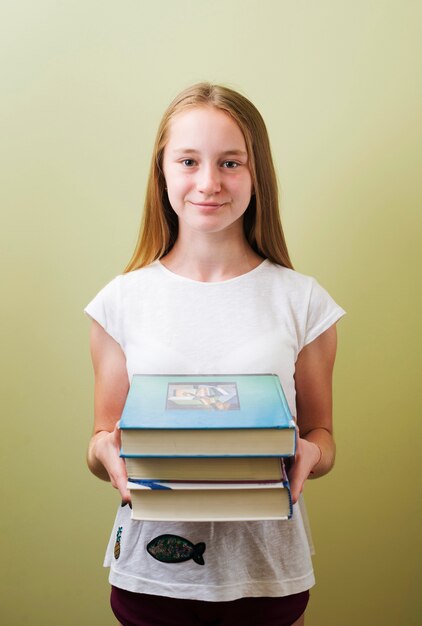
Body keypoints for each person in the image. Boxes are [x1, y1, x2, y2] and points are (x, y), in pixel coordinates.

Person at [84, 83, 345, 626]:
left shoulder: (303, 301)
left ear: (257, 175)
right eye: (188, 161)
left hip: (268, 575)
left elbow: (322, 438)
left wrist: (310, 455)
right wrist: (107, 454)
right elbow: (101, 440)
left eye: (230, 162)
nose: (208, 182)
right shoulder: (120, 302)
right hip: (151, 574)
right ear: (163, 171)